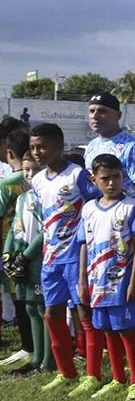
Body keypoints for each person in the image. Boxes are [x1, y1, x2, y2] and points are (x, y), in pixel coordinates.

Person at [31, 123, 101, 392]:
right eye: (34, 147)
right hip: (51, 259)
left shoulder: (77, 175)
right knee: (52, 314)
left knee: (84, 313)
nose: (37, 152)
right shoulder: (37, 180)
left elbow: (96, 205)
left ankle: (92, 374)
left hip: (75, 257)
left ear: (59, 147)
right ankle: (66, 371)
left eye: (43, 147)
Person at [76, 154, 135, 401]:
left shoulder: (131, 207)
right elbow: (84, 245)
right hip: (97, 282)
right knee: (107, 331)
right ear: (94, 180)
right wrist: (82, 280)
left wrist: (133, 282)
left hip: (121, 283)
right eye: (105, 178)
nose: (111, 183)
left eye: (116, 177)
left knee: (126, 330)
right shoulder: (88, 209)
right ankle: (118, 378)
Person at [4, 150, 50, 375]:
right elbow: (15, 228)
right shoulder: (22, 197)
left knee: (43, 308)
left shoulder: (45, 198)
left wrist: (27, 255)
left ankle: (47, 361)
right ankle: (35, 358)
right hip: (22, 259)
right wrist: (7, 253)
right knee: (30, 307)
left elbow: (45, 231)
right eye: (27, 170)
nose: (29, 175)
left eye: (34, 170)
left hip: (37, 259)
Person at [82, 92, 135, 214]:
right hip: (98, 219)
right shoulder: (91, 146)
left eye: (102, 111)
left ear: (118, 116)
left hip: (124, 221)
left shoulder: (134, 147)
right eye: (92, 111)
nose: (95, 116)